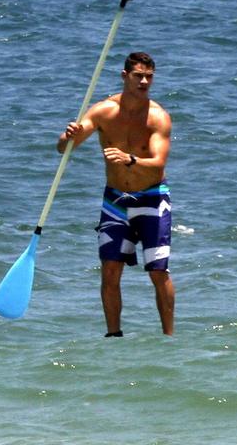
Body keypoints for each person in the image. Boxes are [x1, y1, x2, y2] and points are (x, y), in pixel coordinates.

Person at [57, 52, 174, 337]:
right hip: (116, 200)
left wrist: (130, 159)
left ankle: (169, 337)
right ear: (125, 77)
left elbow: (159, 161)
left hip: (152, 198)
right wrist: (67, 135)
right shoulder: (102, 112)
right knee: (110, 270)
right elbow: (64, 149)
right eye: (138, 76)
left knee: (158, 272)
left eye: (149, 77)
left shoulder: (158, 117)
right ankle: (113, 336)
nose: (144, 81)